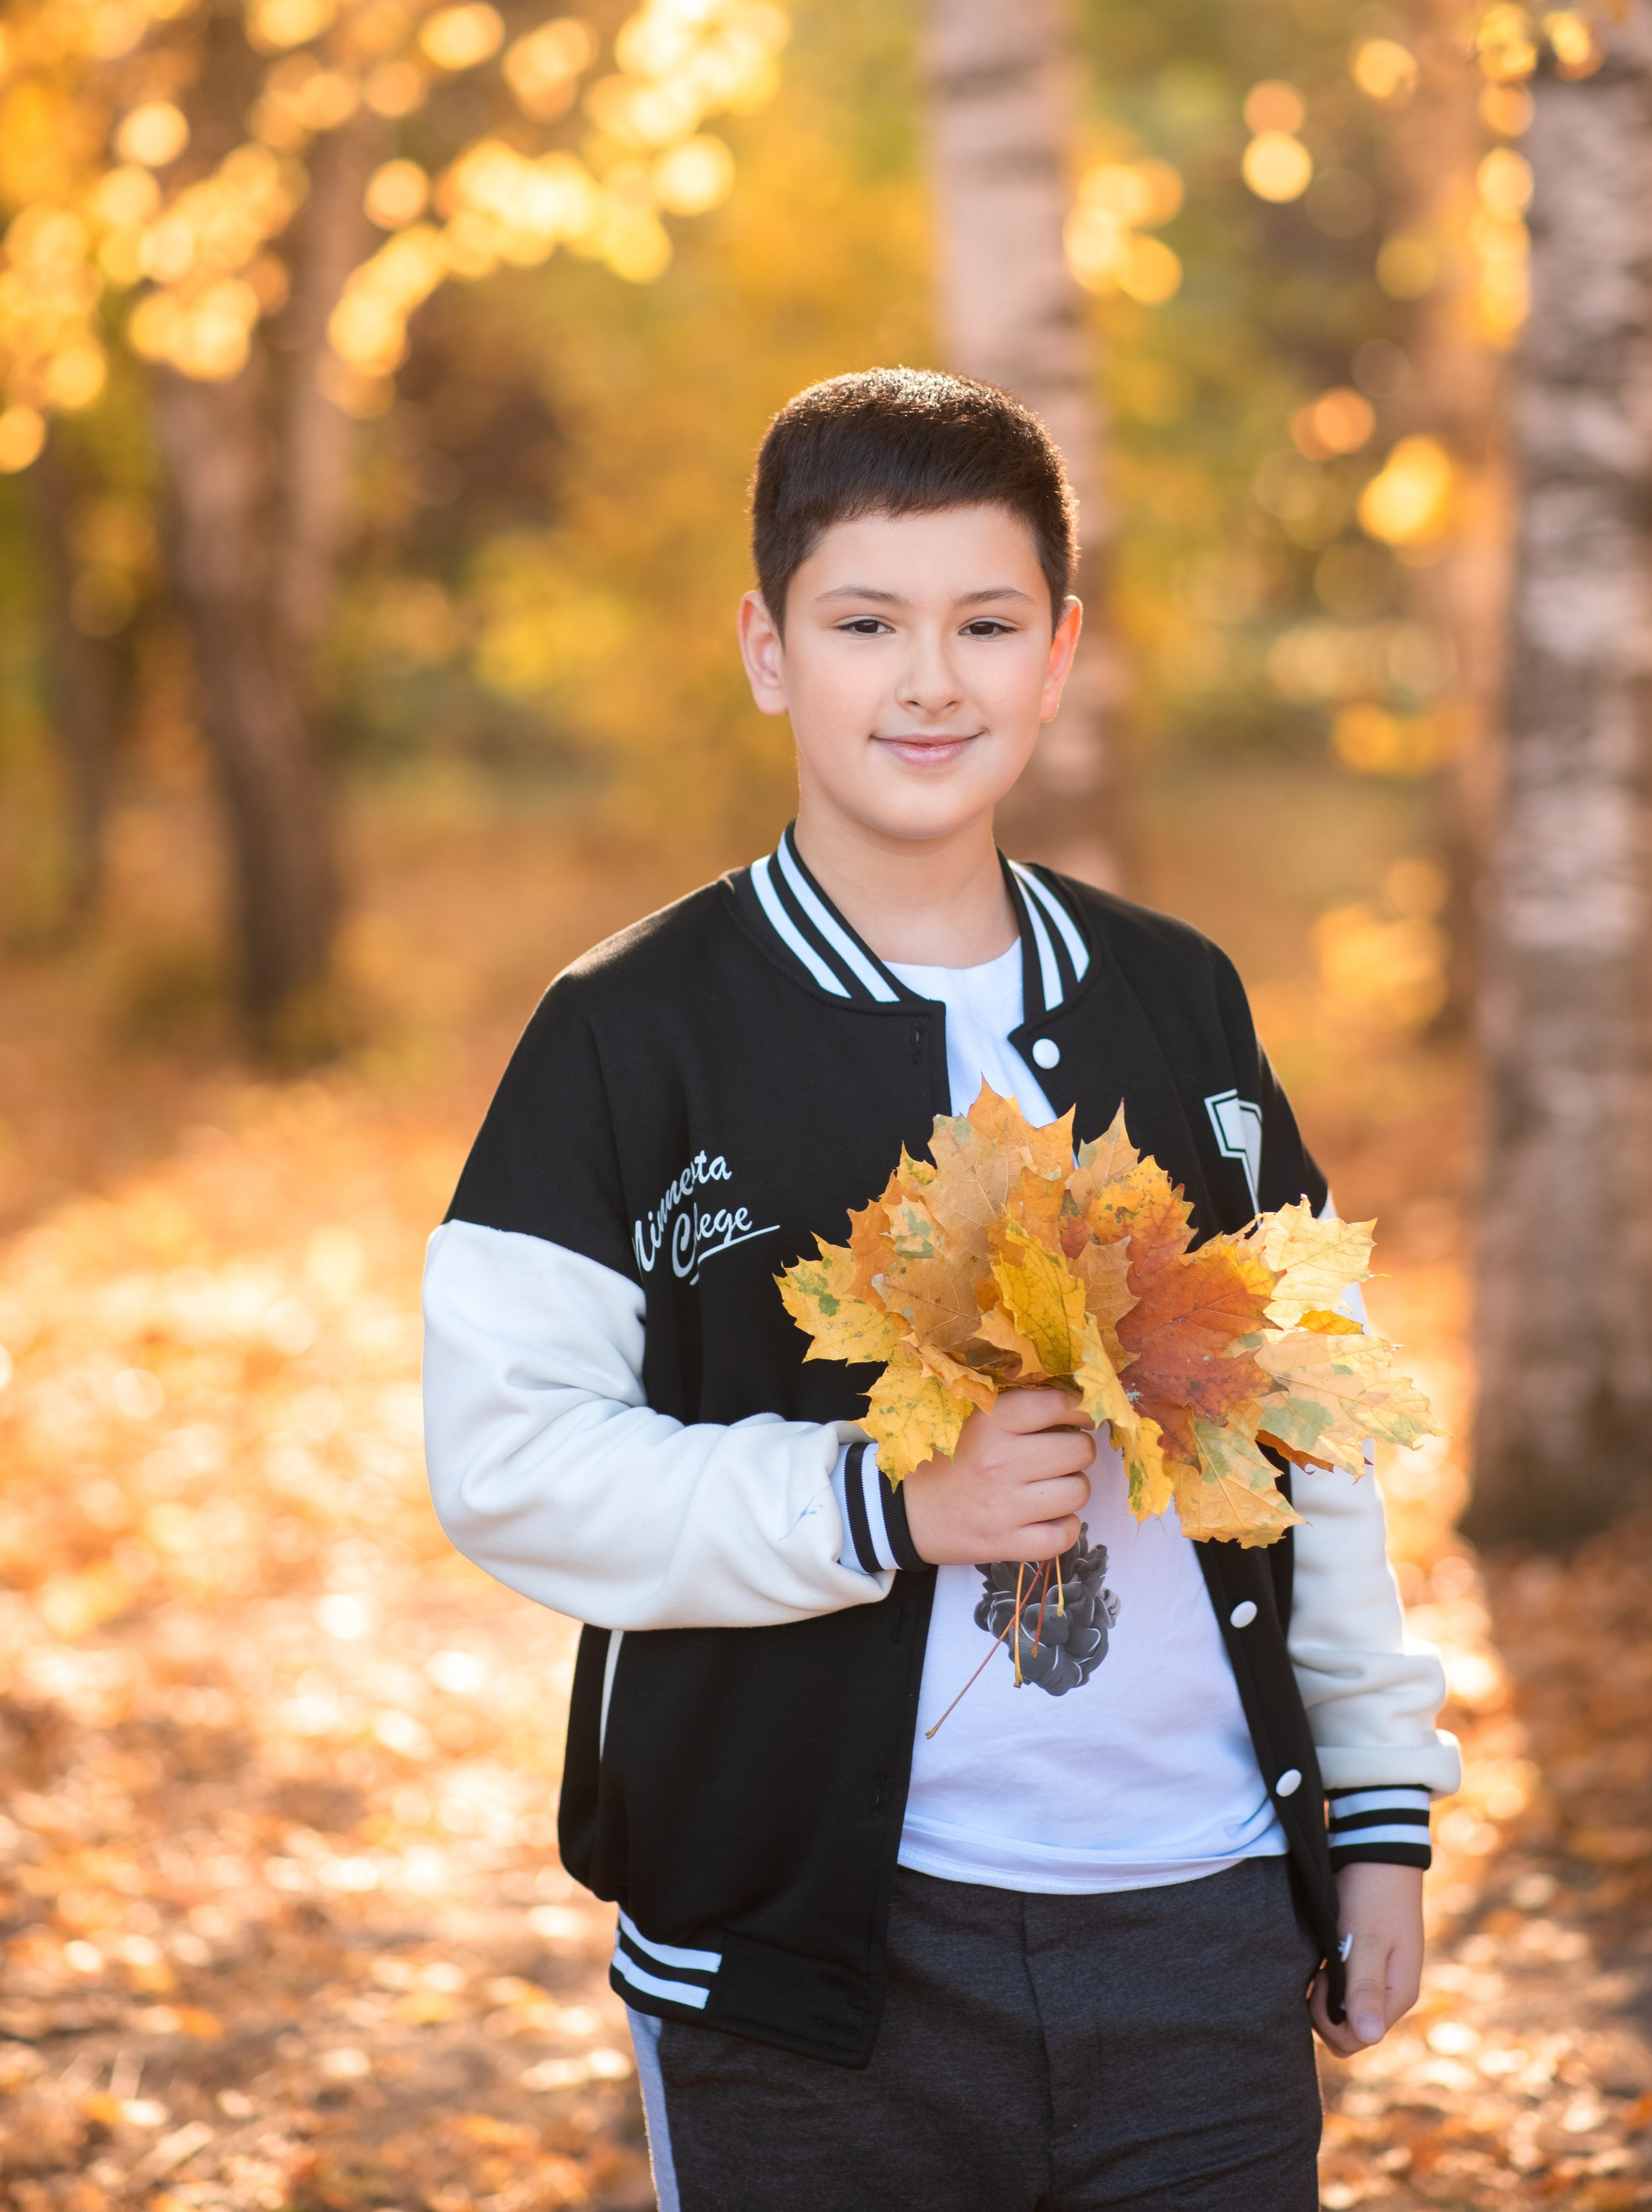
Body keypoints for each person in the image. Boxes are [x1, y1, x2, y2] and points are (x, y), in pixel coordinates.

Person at [422, 370, 1458, 2212]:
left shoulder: (1176, 1000)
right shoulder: (631, 1034)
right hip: (810, 1968)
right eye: (866, 624)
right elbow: (511, 1461)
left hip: (1202, 1920)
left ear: (1057, 653)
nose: (930, 681)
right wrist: (887, 1508)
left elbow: (1317, 1424)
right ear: (767, 651)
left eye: (985, 624)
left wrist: (1376, 1815)